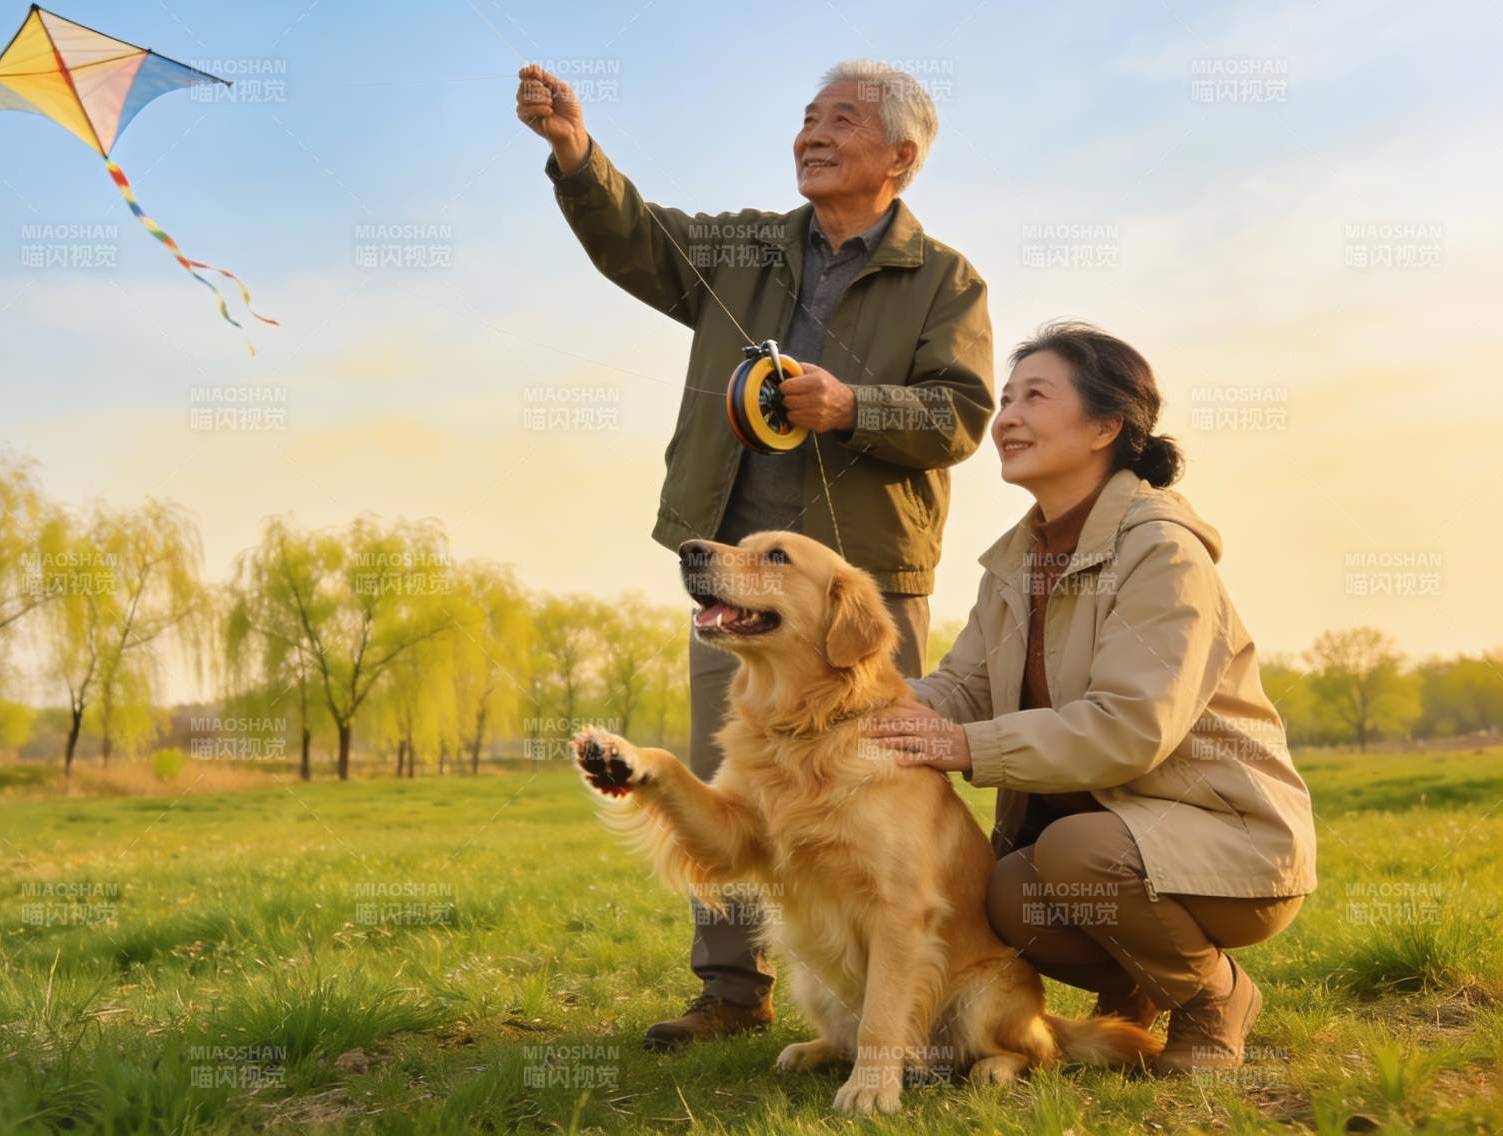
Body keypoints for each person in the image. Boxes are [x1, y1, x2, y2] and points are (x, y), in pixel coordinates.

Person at [517, 58, 996, 1048]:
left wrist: (851, 405)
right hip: (740, 585)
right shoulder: (744, 245)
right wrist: (573, 152)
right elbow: (640, 243)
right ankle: (733, 992)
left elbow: (961, 416)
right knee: (731, 780)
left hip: (864, 584)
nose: (812, 134)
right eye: (808, 118)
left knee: (880, 789)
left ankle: (909, 1003)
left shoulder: (946, 279)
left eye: (842, 121)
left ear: (900, 158)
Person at [869, 321, 1317, 1075]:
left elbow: (1132, 727)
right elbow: (962, 686)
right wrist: (862, 702)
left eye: (1034, 397)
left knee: (1074, 852)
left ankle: (1215, 998)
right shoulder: (1017, 560)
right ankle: (1132, 996)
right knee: (1008, 892)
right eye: (1005, 399)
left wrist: (966, 747)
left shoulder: (1161, 552)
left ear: (1106, 424)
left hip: (1231, 846)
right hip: (1109, 847)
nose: (1005, 417)